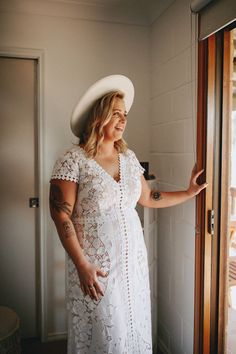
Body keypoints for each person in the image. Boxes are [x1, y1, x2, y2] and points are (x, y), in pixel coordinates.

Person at [49, 75, 207, 354]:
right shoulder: (73, 159)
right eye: (116, 113)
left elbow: (147, 198)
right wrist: (82, 265)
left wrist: (189, 192)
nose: (123, 120)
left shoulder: (129, 158)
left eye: (125, 114)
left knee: (132, 329)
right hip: (94, 268)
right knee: (106, 336)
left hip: (132, 265)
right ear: (98, 117)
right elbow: (62, 215)